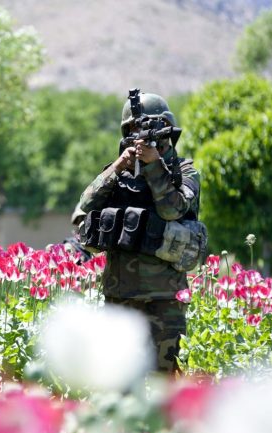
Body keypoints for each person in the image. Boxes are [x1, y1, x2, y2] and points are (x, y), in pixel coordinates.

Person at [74, 92, 202, 373]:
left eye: (148, 128)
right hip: (120, 296)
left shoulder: (185, 172)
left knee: (164, 384)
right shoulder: (119, 172)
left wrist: (155, 166)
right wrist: (118, 166)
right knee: (119, 381)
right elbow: (81, 212)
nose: (140, 135)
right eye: (132, 129)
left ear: (166, 129)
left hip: (164, 299)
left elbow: (172, 210)